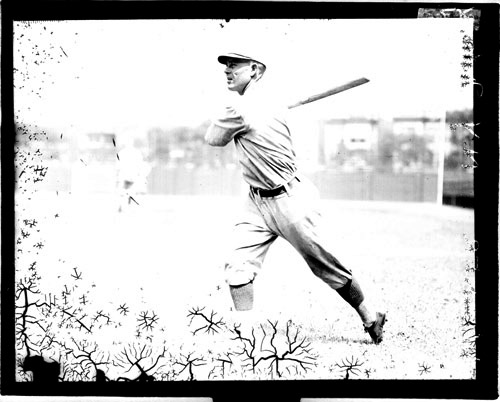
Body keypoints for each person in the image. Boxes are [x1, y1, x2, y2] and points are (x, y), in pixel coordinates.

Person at [205, 52, 386, 344]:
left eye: (234, 65)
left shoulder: (243, 108)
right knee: (238, 266)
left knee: (327, 267)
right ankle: (246, 338)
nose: (227, 70)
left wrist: (228, 118)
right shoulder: (262, 102)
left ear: (254, 69)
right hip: (256, 201)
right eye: (226, 65)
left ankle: (370, 316)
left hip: (291, 200)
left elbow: (213, 138)